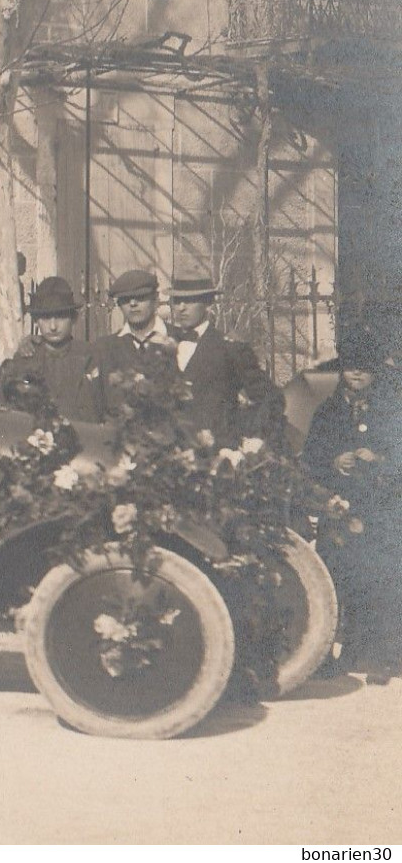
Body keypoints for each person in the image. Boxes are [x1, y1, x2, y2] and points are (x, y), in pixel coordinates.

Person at [302, 324, 401, 677]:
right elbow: (310, 461)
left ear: (375, 371)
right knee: (336, 576)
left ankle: (379, 653)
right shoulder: (327, 413)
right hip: (339, 509)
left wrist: (380, 461)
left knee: (379, 578)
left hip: (380, 512)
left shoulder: (390, 413)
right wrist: (335, 462)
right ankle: (330, 652)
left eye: (365, 367)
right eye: (351, 366)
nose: (357, 373)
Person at [167, 276, 284, 447]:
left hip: (216, 451)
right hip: (170, 452)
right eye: (177, 301)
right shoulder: (163, 347)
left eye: (190, 301)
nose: (181, 308)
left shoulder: (230, 348)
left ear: (208, 303)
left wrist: (255, 438)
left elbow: (270, 397)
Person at [0, 276, 105, 423]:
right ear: (36, 320)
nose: (53, 326)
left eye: (60, 317)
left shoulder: (90, 355)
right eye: (46, 318)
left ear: (73, 318)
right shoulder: (26, 357)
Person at [91, 269, 176, 416]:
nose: (133, 303)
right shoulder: (105, 348)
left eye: (140, 297)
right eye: (125, 299)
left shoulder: (177, 340)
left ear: (155, 299)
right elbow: (99, 407)